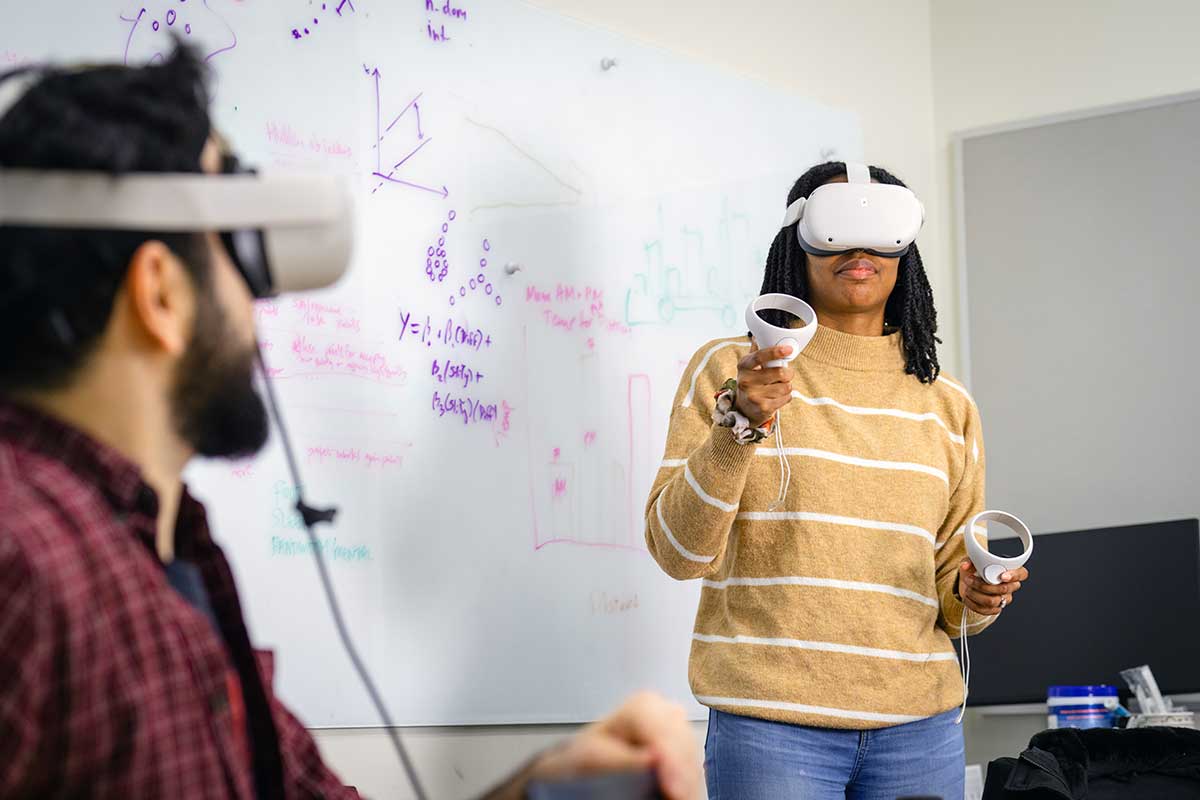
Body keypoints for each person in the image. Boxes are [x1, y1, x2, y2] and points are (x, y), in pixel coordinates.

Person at [0, 48, 700, 799]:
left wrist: (546, 786)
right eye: (240, 261)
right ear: (161, 295)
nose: (259, 316)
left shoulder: (175, 560)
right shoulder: (25, 559)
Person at [644, 162, 1030, 799]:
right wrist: (739, 424)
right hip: (771, 721)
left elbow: (949, 597)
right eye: (838, 232)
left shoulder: (948, 404)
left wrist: (977, 598)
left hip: (920, 728)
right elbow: (678, 553)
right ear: (796, 244)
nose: (861, 252)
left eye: (881, 235)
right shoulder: (731, 369)